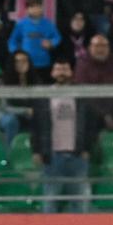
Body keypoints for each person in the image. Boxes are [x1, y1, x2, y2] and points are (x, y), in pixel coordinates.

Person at [31, 58, 95, 214]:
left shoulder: (81, 96)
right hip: (52, 155)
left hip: (77, 155)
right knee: (50, 199)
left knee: (79, 202)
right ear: (52, 73)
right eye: (58, 69)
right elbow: (36, 126)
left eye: (65, 69)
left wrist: (87, 148)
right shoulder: (44, 97)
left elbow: (91, 124)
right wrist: (36, 150)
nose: (61, 73)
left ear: (71, 72)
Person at [8, 0, 61, 80]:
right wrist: (16, 53)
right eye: (32, 7)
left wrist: (51, 43)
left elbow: (57, 37)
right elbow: (12, 41)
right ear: (27, 9)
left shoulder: (48, 24)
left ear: (42, 8)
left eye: (38, 6)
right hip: (26, 64)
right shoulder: (21, 24)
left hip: (44, 62)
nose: (35, 9)